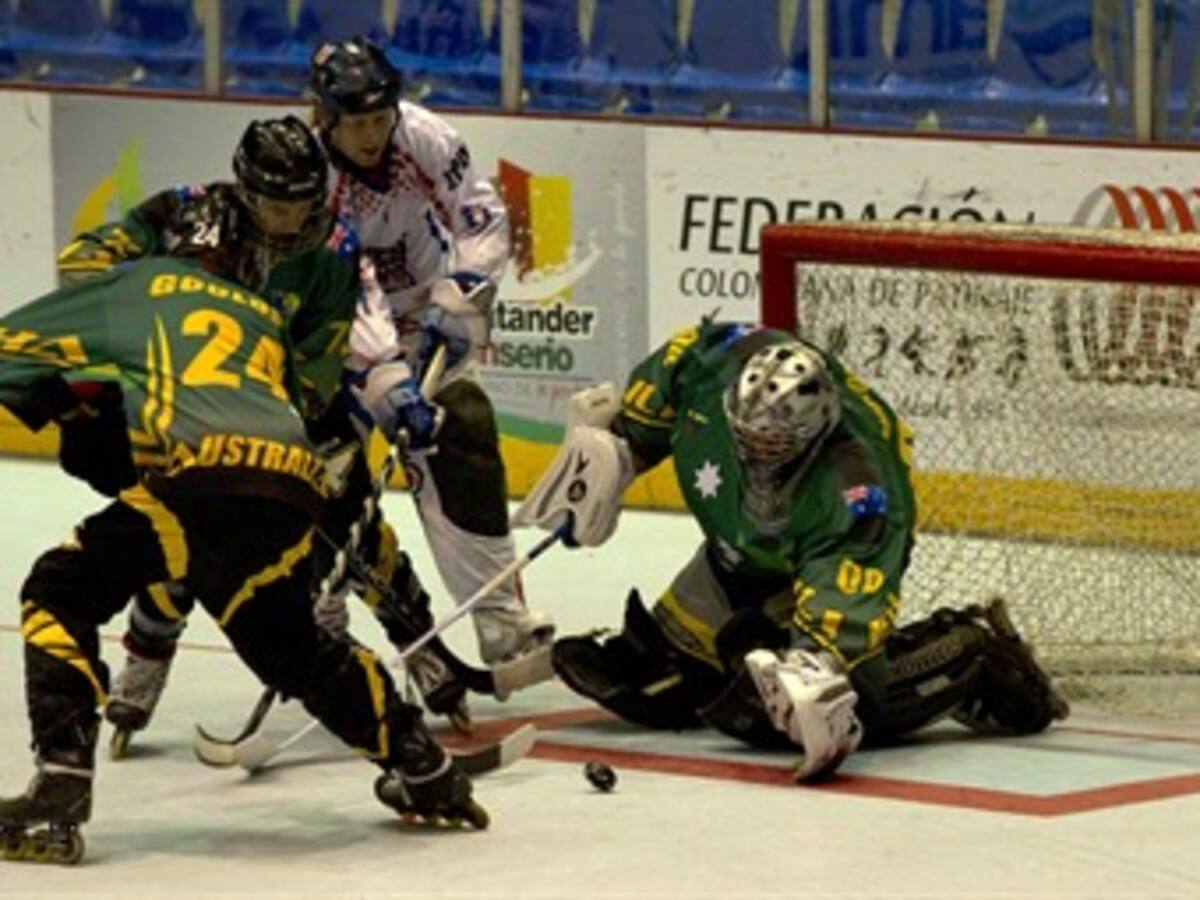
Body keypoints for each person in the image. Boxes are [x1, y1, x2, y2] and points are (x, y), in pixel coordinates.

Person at [0, 182, 486, 864]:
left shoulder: (140, 281)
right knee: (293, 650)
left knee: (58, 588)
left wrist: (50, 399)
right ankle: (425, 769)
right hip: (290, 491)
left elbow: (14, 346)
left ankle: (59, 788)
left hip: (199, 485)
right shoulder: (262, 315)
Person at [57, 116, 490, 752]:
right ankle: (146, 661)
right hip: (189, 417)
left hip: (293, 413)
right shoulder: (185, 216)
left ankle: (423, 648)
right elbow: (83, 263)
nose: (297, 218)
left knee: (354, 528)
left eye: (308, 201)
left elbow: (327, 351)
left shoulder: (334, 246)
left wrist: (315, 431)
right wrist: (141, 305)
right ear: (247, 191)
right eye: (282, 204)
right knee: (181, 541)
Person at [514, 319, 1069, 781]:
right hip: (743, 548)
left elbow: (832, 646)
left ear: (815, 432)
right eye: (745, 437)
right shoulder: (704, 362)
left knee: (824, 705)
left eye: (773, 445)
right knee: (657, 675)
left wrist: (809, 672)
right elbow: (641, 412)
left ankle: (974, 654)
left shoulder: (859, 500)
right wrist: (610, 459)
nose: (755, 454)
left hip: (821, 556)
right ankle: (721, 642)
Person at [308, 37, 555, 675]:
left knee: (458, 425)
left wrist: (465, 288)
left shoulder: (425, 138)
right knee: (323, 471)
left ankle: (498, 616)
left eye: (378, 119)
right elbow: (348, 282)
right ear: (325, 119)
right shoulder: (310, 173)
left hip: (419, 310)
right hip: (326, 331)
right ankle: (314, 637)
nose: (370, 136)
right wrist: (386, 374)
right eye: (355, 123)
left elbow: (479, 216)